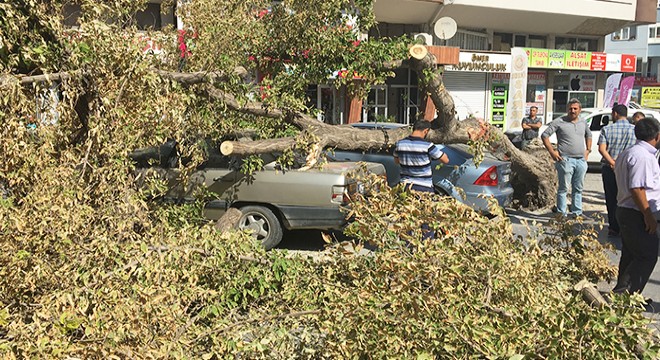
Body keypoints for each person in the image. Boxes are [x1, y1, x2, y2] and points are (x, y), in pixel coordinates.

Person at [612, 117, 660, 295]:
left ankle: (625, 296)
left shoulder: (629, 152)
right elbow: (637, 188)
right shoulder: (643, 157)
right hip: (637, 213)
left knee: (631, 255)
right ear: (657, 135)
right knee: (646, 256)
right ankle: (625, 296)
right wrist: (648, 215)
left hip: (627, 210)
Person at [541, 98, 592, 217]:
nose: (572, 111)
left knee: (578, 188)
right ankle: (561, 214)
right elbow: (545, 135)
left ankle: (577, 213)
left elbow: (588, 134)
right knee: (564, 189)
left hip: (580, 160)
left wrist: (588, 150)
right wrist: (552, 152)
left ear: (580, 110)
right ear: (567, 109)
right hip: (565, 160)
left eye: (575, 109)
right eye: (570, 108)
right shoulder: (559, 121)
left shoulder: (583, 122)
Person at [598, 104, 636, 236]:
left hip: (610, 168)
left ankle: (614, 227)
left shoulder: (607, 129)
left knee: (611, 198)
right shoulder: (635, 129)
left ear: (614, 114)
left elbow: (602, 149)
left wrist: (613, 163)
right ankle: (626, 227)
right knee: (627, 198)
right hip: (629, 169)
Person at [394, 119, 449, 193]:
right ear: (426, 131)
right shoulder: (427, 146)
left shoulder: (399, 144)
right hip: (424, 188)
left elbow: (397, 161)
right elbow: (445, 160)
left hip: (405, 187)